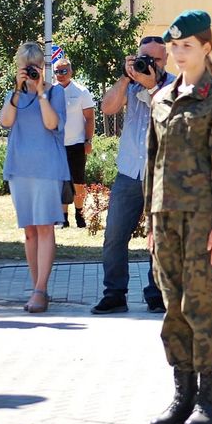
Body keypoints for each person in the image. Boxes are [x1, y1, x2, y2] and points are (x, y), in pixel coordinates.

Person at [144, 10, 212, 424]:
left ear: (206, 47)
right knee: (172, 307)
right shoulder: (161, 99)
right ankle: (181, 395)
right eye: (175, 47)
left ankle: (210, 400)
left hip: (205, 221)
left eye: (187, 46)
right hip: (165, 219)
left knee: (201, 305)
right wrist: (149, 220)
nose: (179, 53)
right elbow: (153, 163)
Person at [91, 37, 171, 315]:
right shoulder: (130, 82)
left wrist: (152, 86)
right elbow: (107, 108)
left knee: (159, 238)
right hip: (128, 173)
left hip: (161, 175)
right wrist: (126, 78)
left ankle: (157, 293)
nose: (148, 64)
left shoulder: (174, 85)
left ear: (165, 61)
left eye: (155, 59)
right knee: (114, 236)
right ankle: (114, 293)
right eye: (143, 57)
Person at [0, 42, 71, 314]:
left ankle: (41, 290)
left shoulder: (55, 94)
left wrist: (40, 91)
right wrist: (19, 90)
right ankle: (35, 287)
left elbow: (51, 124)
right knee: (29, 231)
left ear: (42, 67)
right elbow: (6, 121)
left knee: (44, 227)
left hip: (47, 170)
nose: (29, 72)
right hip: (20, 169)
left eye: (35, 67)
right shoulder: (12, 95)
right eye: (24, 68)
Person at [52, 56, 95, 228]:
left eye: (64, 71)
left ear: (71, 72)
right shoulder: (50, 91)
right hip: (57, 144)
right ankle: (63, 217)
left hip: (77, 144)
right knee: (61, 181)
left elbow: (90, 118)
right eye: (57, 71)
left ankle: (80, 214)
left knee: (78, 182)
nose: (60, 74)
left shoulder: (81, 92)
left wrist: (88, 141)